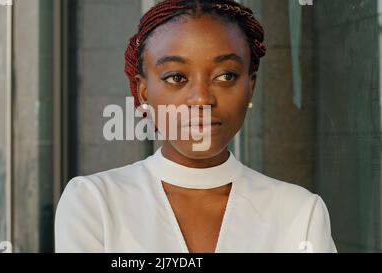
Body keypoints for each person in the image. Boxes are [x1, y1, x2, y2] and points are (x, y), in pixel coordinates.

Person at [55, 0, 337, 253]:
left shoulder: (300, 213)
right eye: (176, 77)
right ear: (143, 93)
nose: (202, 98)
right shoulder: (95, 202)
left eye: (226, 75)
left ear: (250, 88)